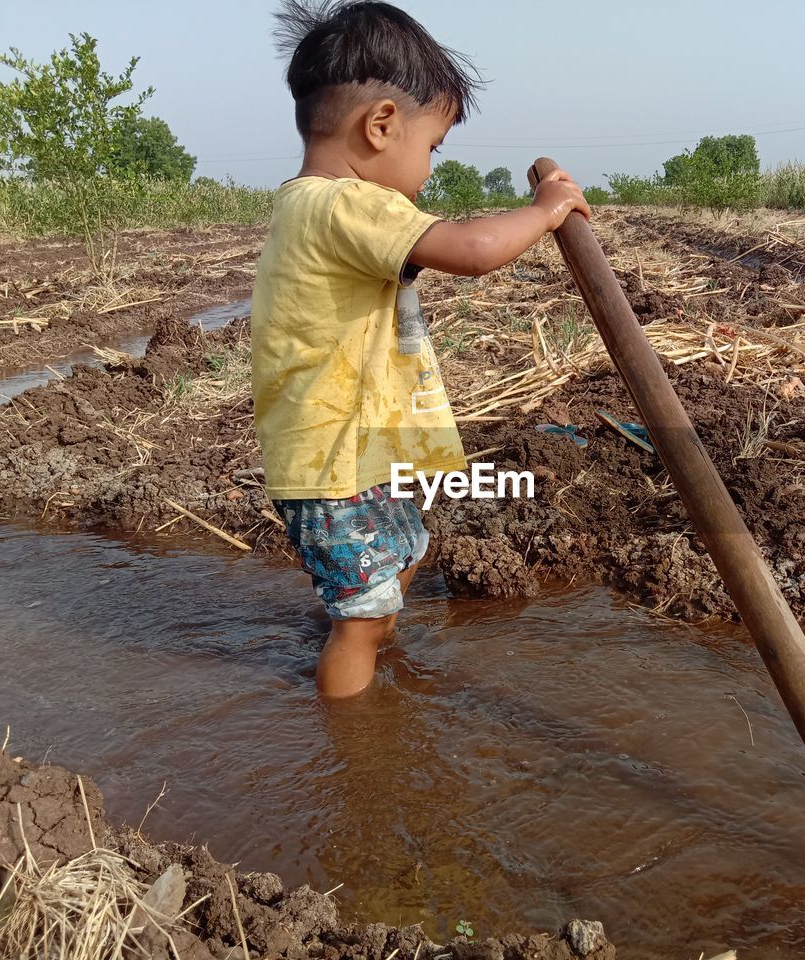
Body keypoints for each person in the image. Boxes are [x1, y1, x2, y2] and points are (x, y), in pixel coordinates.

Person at [253, 0, 591, 698]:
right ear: (380, 125)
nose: (430, 169)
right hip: (332, 462)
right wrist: (546, 210)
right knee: (360, 620)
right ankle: (357, 744)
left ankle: (374, 646)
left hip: (351, 451)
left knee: (405, 553)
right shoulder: (347, 203)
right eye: (431, 147)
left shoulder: (308, 205)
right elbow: (471, 251)